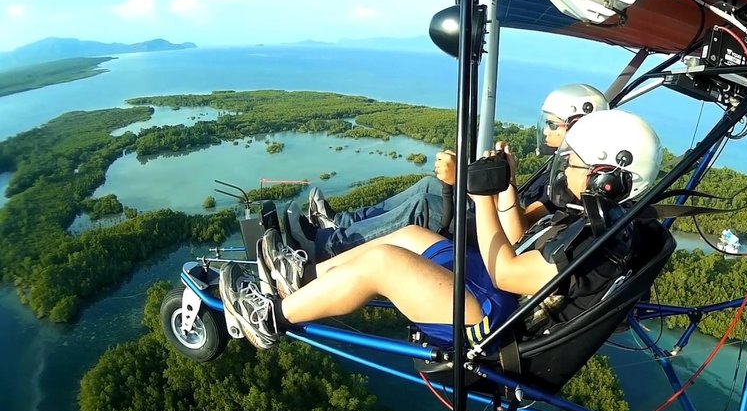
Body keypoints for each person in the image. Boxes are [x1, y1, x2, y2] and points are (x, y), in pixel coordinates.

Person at [218, 109, 662, 351]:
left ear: (608, 179)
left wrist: (481, 196)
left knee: (384, 262)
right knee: (409, 236)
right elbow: (517, 241)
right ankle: (304, 278)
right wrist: (505, 185)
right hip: (493, 291)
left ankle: (269, 319)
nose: (565, 170)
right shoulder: (603, 222)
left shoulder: (598, 246)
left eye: (576, 164)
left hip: (493, 323)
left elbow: (507, 271)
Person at [296, 83, 610, 259]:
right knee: (429, 185)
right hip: (498, 220)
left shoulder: (574, 185)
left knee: (426, 207)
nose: (546, 131)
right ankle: (339, 223)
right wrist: (495, 177)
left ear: (577, 126)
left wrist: (488, 181)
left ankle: (327, 247)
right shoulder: (563, 165)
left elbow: (519, 232)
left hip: (501, 243)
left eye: (553, 124)